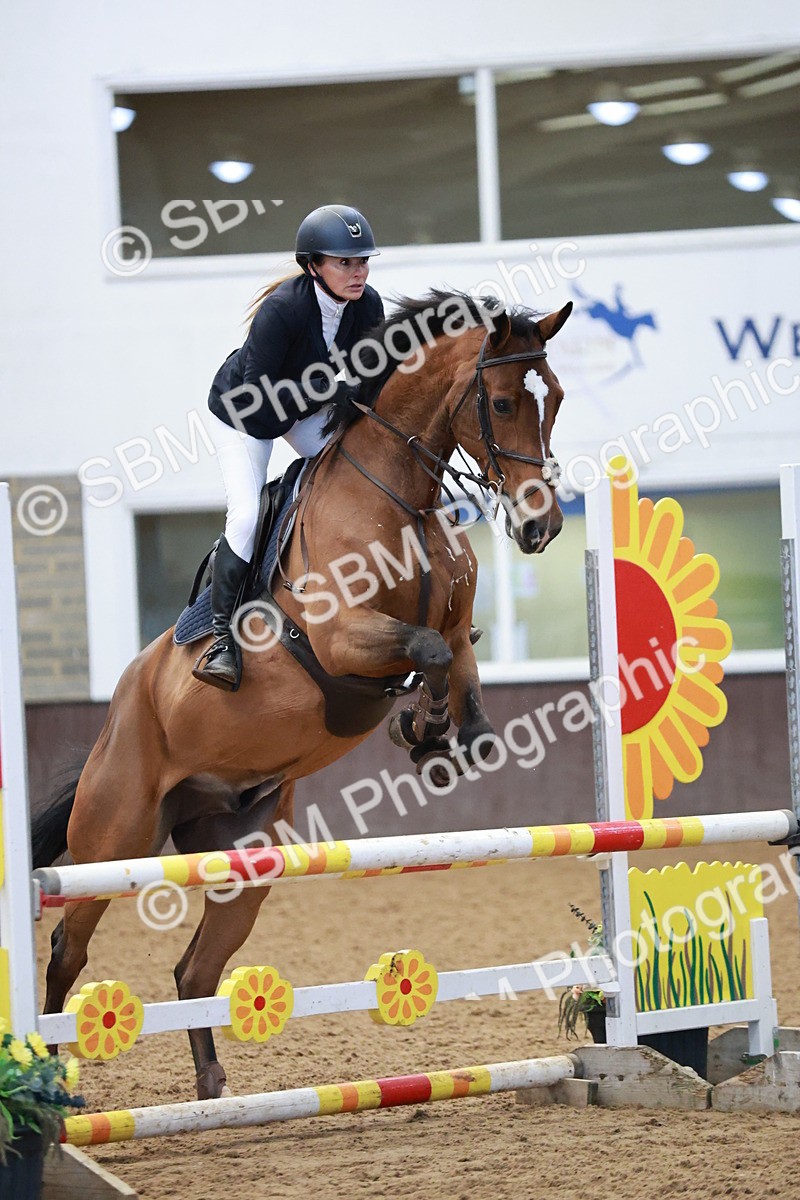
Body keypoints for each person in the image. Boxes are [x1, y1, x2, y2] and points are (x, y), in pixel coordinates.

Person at [193, 204, 384, 691]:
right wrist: (331, 389)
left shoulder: (368, 306)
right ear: (313, 266)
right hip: (245, 414)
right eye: (345, 263)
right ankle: (222, 640)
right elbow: (260, 394)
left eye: (363, 261)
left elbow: (374, 375)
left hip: (301, 407)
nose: (358, 272)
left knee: (361, 469)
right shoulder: (282, 309)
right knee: (245, 517)